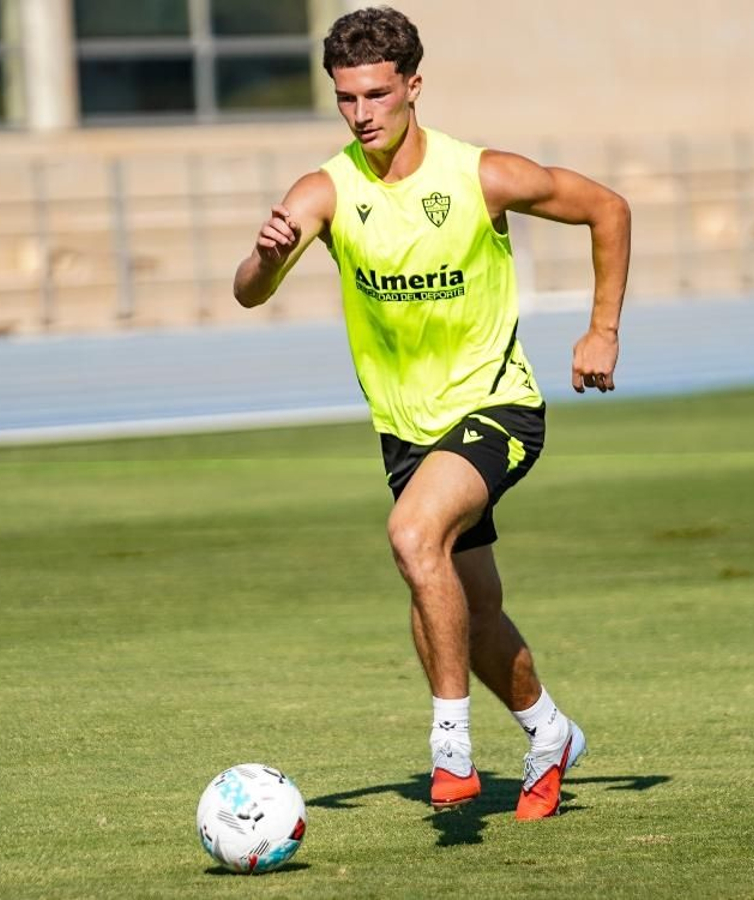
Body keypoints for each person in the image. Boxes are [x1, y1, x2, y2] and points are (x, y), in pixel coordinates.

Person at [232, 5, 630, 821]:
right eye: (346, 99)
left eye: (377, 95)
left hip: (498, 408)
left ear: (414, 86)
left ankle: (451, 745)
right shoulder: (326, 189)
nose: (362, 114)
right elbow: (248, 292)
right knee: (469, 610)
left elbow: (608, 209)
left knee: (413, 538)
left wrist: (602, 329)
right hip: (406, 434)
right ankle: (549, 731)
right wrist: (266, 259)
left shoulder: (480, 175)